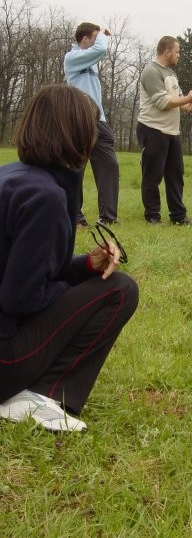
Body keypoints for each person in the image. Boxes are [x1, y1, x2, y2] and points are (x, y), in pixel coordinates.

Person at [0, 85, 139, 432]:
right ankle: (39, 396)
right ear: (76, 134)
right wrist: (71, 288)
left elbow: (23, 267)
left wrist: (86, 266)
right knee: (120, 290)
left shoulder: (11, 176)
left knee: (100, 282)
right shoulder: (44, 197)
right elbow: (20, 298)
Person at [136, 35, 192, 225]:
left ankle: (178, 216)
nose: (179, 55)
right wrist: (187, 98)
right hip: (153, 130)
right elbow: (163, 103)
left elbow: (176, 100)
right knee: (152, 176)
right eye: (177, 51)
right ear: (167, 51)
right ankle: (152, 216)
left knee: (175, 176)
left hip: (172, 132)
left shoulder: (171, 74)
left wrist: (188, 106)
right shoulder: (151, 71)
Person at [64, 22, 119, 226]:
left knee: (109, 166)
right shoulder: (71, 58)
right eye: (95, 38)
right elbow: (102, 48)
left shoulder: (91, 60)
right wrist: (104, 32)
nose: (98, 41)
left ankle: (108, 218)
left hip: (100, 119)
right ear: (85, 39)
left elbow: (99, 51)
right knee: (76, 168)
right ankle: (76, 217)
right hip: (80, 119)